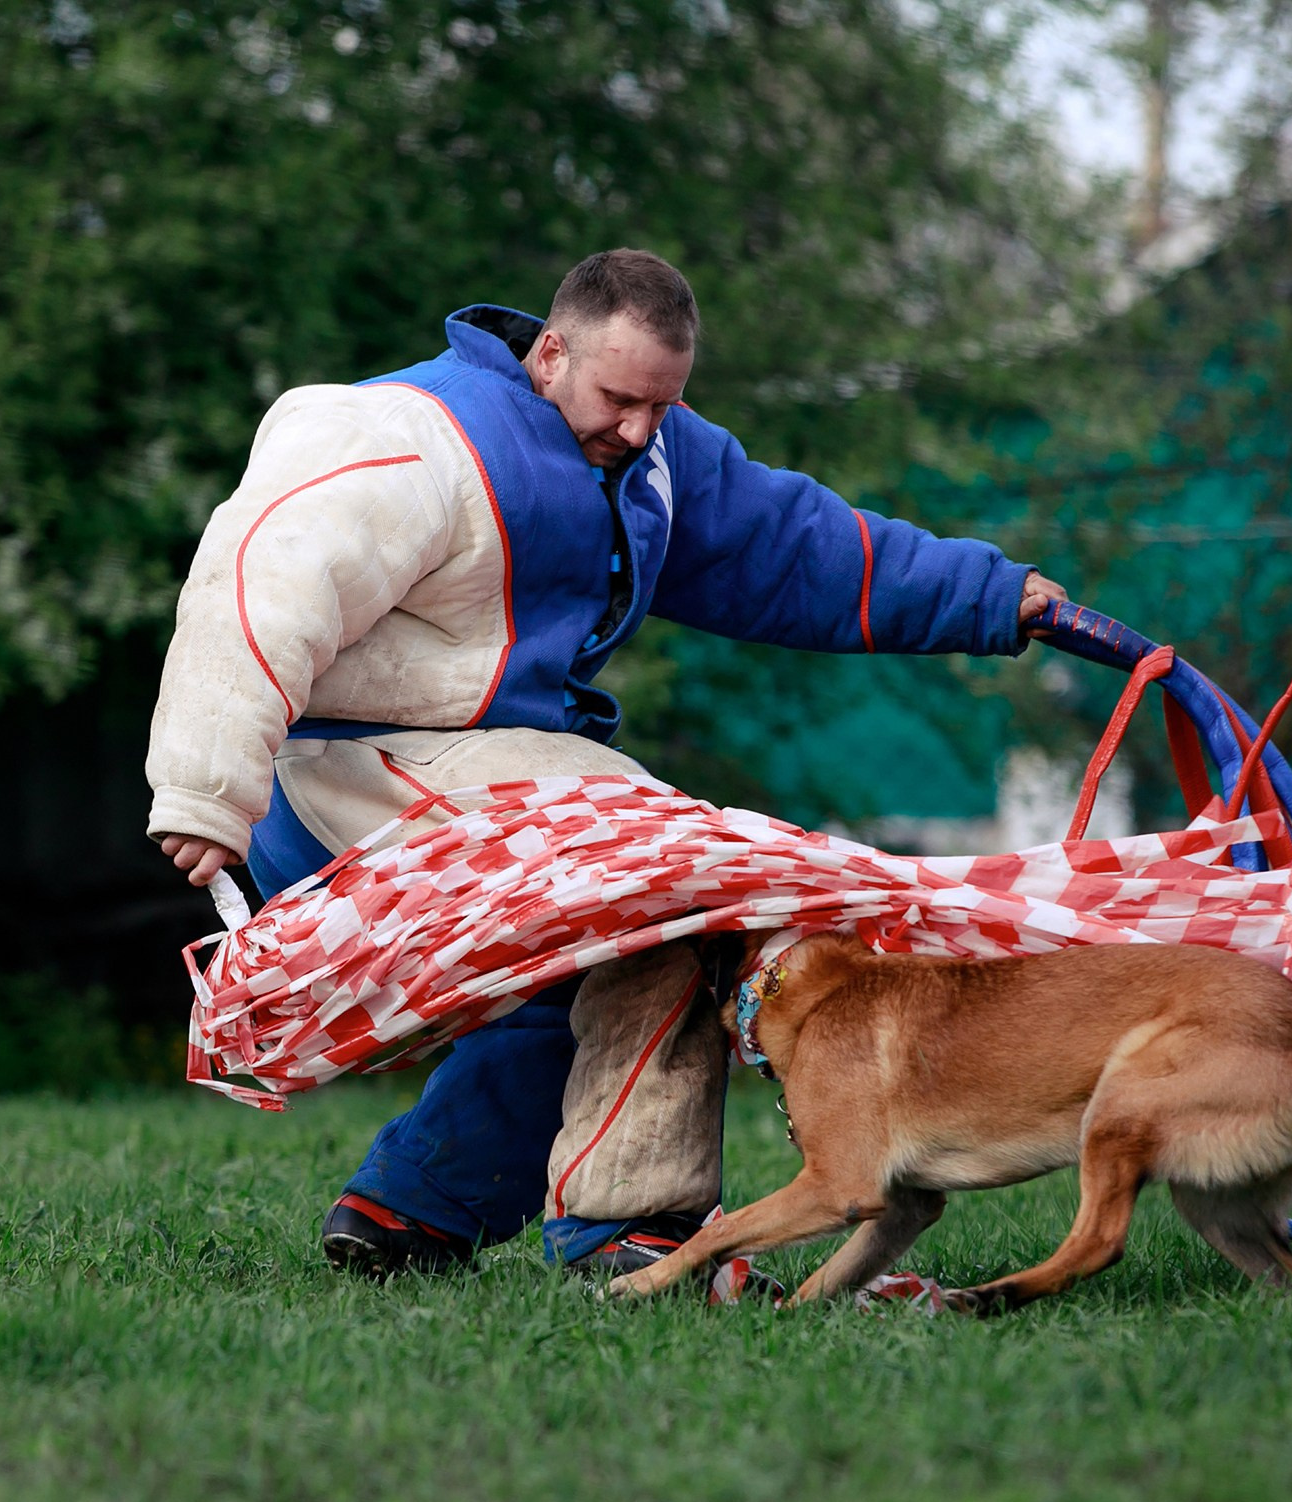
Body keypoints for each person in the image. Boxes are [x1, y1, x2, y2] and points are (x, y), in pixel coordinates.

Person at [145, 249, 1063, 1281]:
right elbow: (259, 581)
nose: (635, 428)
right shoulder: (407, 435)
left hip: (504, 782)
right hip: (344, 782)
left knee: (574, 969)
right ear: (548, 352)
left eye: (658, 408)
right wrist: (206, 790)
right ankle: (633, 1230)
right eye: (617, 397)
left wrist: (996, 596)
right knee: (662, 904)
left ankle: (408, 1214)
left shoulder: (654, 457)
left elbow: (801, 546)